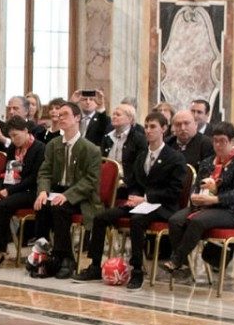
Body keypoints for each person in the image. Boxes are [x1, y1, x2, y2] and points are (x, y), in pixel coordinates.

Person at [78, 112, 185, 289]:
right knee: (101, 217)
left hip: (162, 206)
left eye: (153, 127)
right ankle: (95, 265)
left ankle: (136, 270)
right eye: (147, 126)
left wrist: (146, 198)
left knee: (136, 221)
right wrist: (134, 197)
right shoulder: (141, 155)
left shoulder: (174, 157)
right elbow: (134, 182)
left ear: (164, 129)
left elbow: (175, 191)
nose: (148, 131)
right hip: (139, 203)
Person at [161, 123, 234, 278]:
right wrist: (194, 196)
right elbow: (196, 186)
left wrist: (214, 199)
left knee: (197, 222)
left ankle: (176, 260)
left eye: (223, 141)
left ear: (232, 142)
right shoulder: (208, 162)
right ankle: (185, 264)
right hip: (203, 207)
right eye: (215, 141)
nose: (218, 145)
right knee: (175, 220)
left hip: (228, 211)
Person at [33, 100, 103, 276]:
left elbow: (91, 180)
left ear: (77, 118)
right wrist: (43, 191)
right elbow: (45, 172)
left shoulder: (91, 149)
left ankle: (65, 258)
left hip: (81, 196)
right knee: (42, 206)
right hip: (57, 190)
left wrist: (68, 195)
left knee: (60, 207)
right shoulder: (53, 144)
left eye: (65, 114)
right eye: (58, 114)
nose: (60, 117)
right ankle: (45, 255)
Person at [0, 115, 44, 266]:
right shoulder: (12, 149)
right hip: (12, 187)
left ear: (26, 131)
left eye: (16, 135)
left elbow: (33, 178)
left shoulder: (39, 148)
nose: (14, 139)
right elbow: (3, 172)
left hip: (30, 191)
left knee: (4, 205)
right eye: (11, 136)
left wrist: (9, 192)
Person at [169, 109, 214, 175]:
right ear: (173, 127)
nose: (183, 128)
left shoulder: (207, 144)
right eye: (178, 124)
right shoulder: (168, 143)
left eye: (186, 123)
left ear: (195, 124)